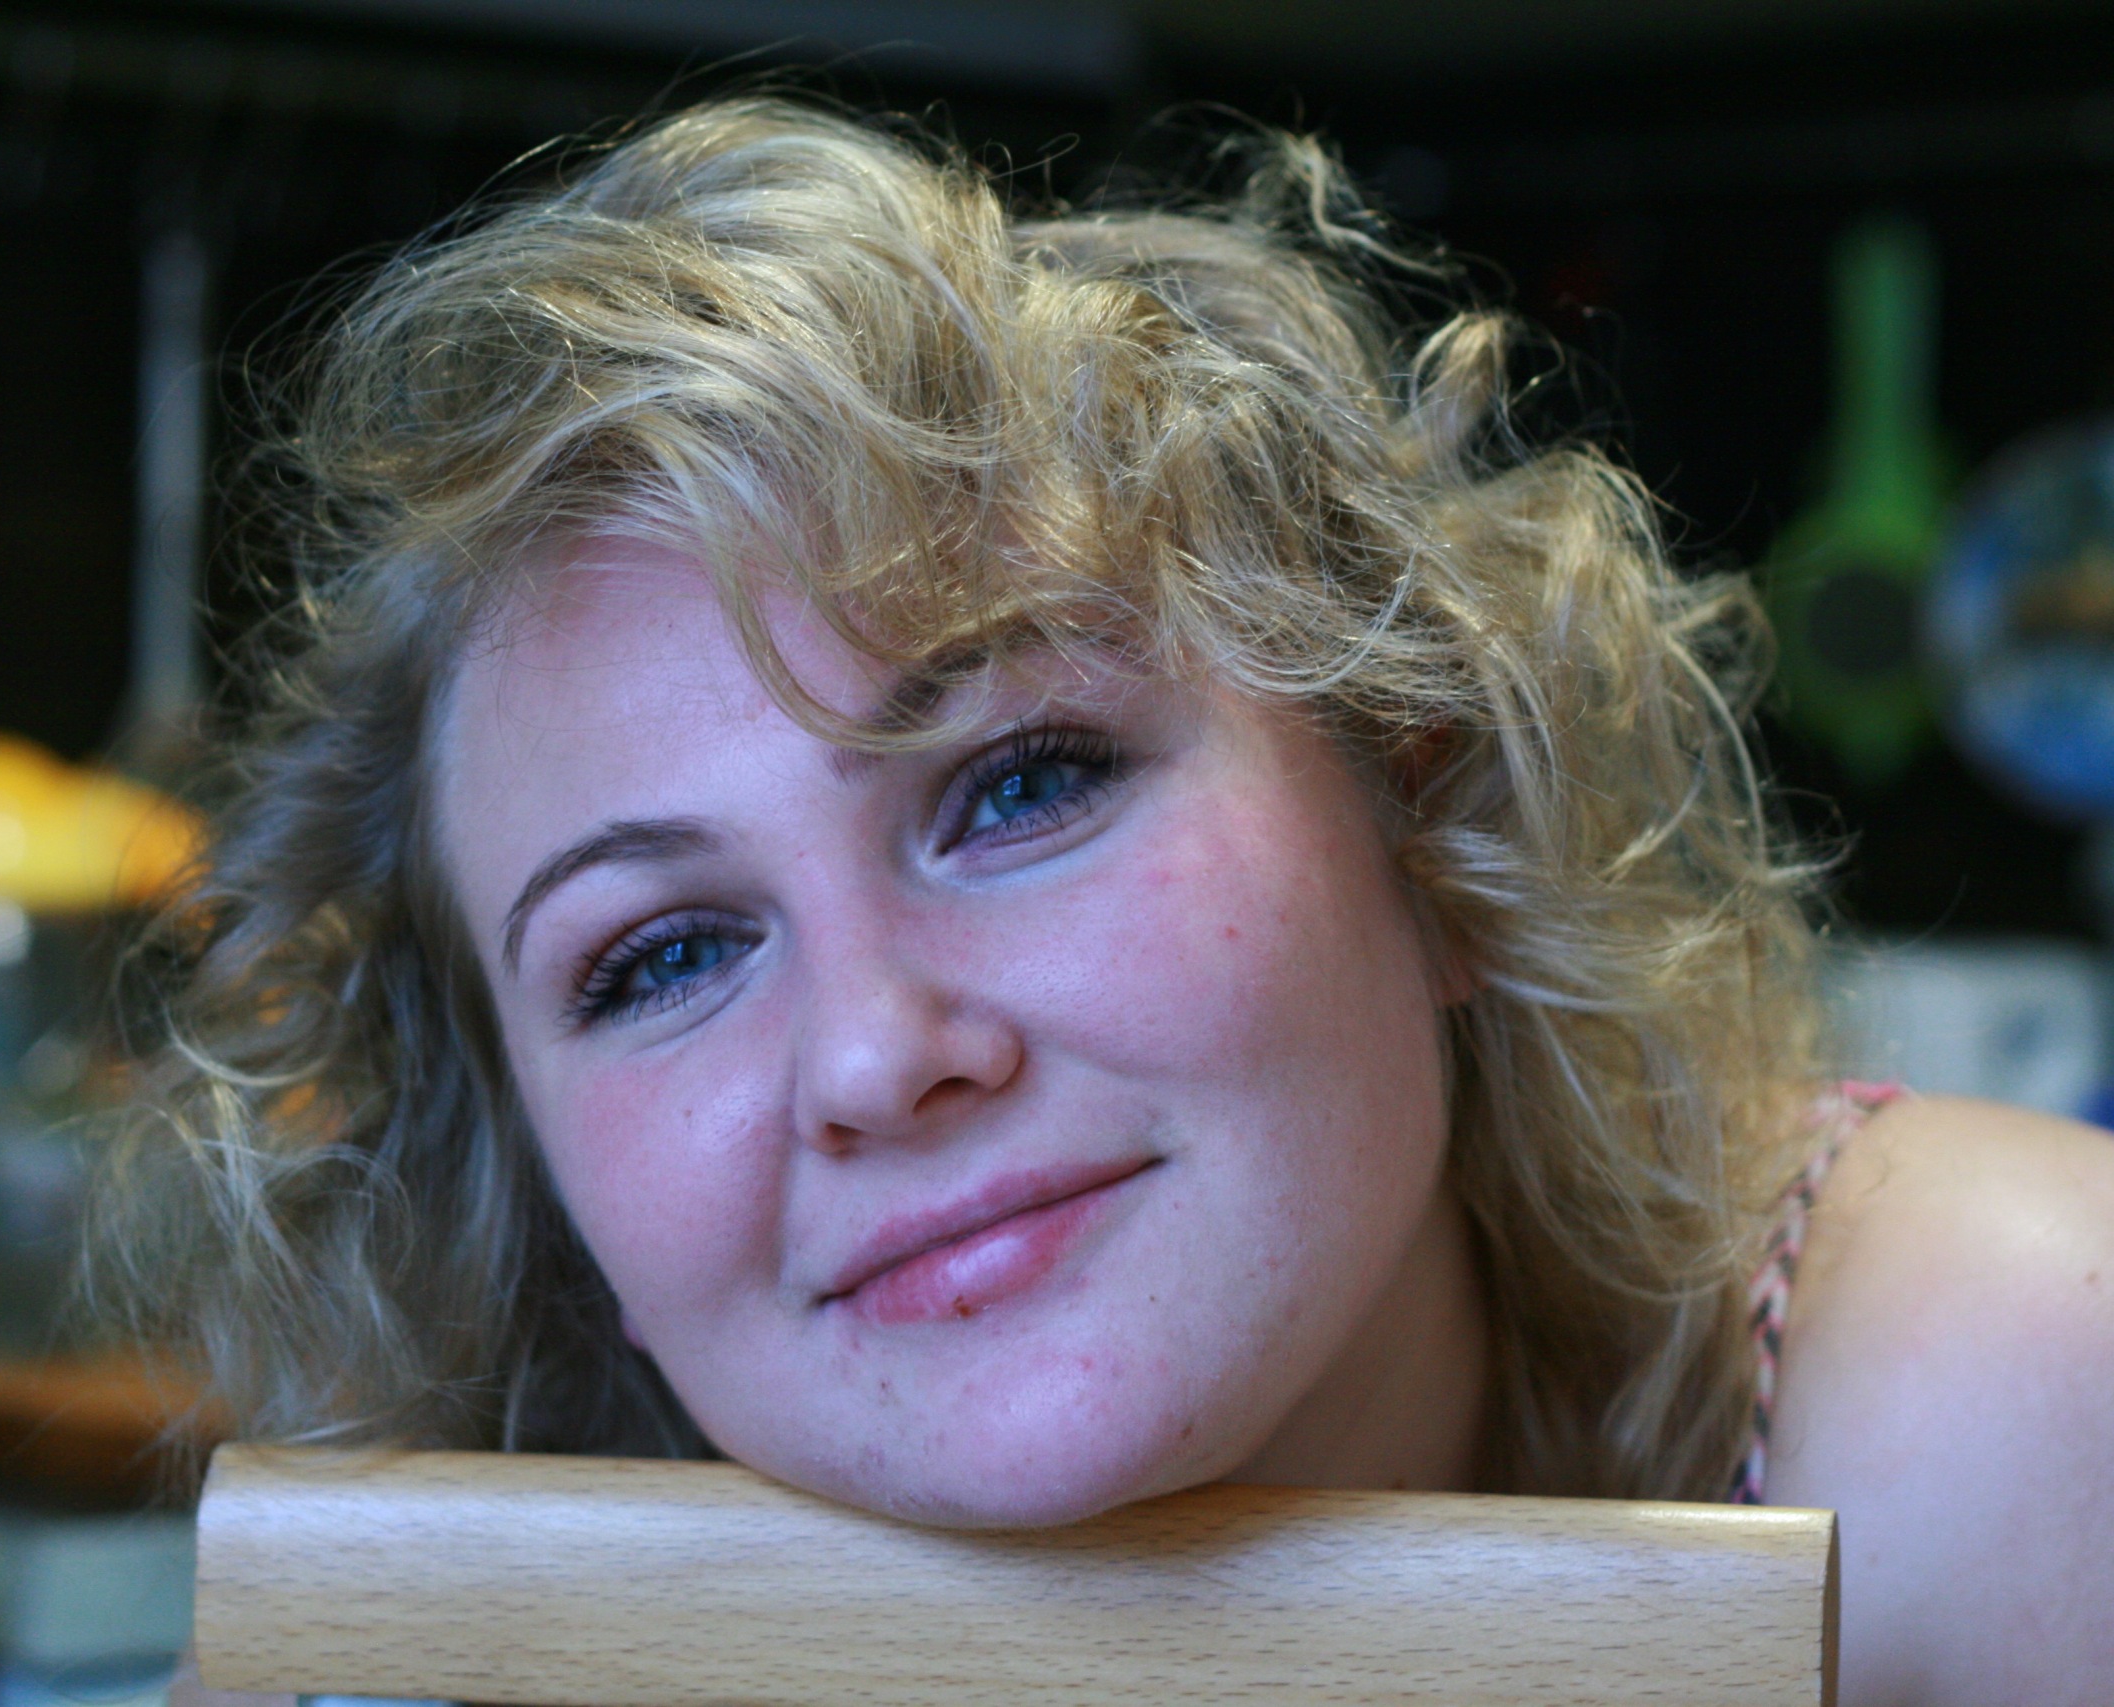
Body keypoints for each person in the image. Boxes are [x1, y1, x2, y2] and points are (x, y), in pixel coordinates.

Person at [110, 98, 2114, 1705]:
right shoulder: (419, 1655)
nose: (877, 1055)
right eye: (665, 957)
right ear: (547, 1190)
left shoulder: (2023, 1382)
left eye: (1020, 785)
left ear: (1429, 821)